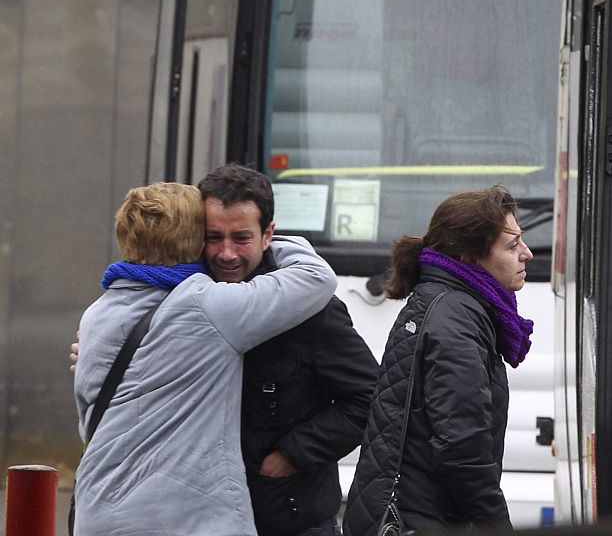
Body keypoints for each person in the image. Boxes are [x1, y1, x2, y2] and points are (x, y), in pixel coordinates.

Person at [72, 182, 337, 536]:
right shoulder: (206, 306)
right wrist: (266, 238)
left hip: (99, 513)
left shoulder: (97, 313)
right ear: (197, 241)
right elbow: (316, 278)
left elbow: (87, 421)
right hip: (184, 520)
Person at [198, 164, 379, 536]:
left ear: (269, 235)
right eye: (213, 237)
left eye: (241, 238)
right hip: (202, 518)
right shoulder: (182, 301)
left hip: (292, 520)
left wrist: (291, 456)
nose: (226, 253)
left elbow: (370, 397)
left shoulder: (310, 311)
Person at [343, 185, 534, 536]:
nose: (527, 253)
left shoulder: (451, 304)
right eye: (512, 245)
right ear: (470, 257)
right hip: (420, 522)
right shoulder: (456, 318)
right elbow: (463, 449)